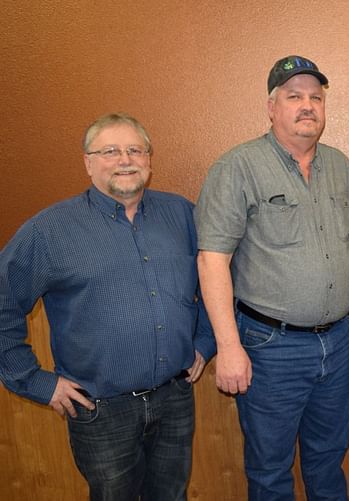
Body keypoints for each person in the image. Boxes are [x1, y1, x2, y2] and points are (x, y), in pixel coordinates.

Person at [0, 113, 215, 500]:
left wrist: (205, 340)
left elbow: (218, 279)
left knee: (173, 495)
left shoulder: (183, 215)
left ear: (149, 158)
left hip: (175, 398)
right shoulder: (49, 230)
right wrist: (35, 381)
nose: (125, 159)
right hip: (100, 411)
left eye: (135, 149)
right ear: (87, 162)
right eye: (110, 151)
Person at [195, 55, 349, 500]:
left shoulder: (341, 167)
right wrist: (228, 347)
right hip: (272, 349)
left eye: (315, 97)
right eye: (293, 97)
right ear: (272, 107)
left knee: (329, 460)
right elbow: (212, 260)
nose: (306, 106)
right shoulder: (238, 167)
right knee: (270, 470)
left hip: (339, 344)